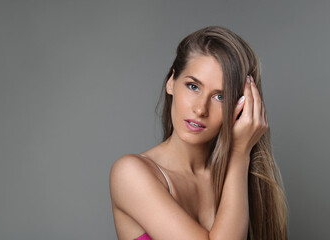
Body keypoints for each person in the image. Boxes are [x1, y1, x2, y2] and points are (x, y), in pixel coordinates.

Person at [109, 26, 288, 240]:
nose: (201, 109)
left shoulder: (236, 177)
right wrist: (240, 152)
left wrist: (240, 157)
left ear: (242, 107)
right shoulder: (131, 173)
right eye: (193, 86)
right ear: (171, 82)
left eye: (220, 97)